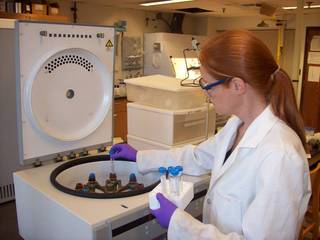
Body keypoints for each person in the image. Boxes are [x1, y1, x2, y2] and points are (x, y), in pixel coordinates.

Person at [110, 30, 311, 240]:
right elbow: (197, 157)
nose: (204, 92)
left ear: (237, 85)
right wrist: (140, 157)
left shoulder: (280, 156)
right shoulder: (237, 125)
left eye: (207, 84)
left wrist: (179, 223)